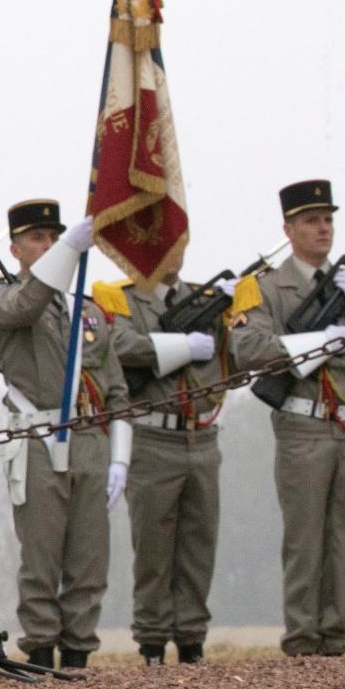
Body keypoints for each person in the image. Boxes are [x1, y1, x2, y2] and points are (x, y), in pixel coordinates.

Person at [0, 201, 131, 670]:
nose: (47, 245)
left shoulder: (89, 311)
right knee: (42, 556)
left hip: (89, 438)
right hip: (37, 437)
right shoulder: (2, 299)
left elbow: (116, 389)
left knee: (89, 557)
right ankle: (42, 649)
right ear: (15, 249)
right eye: (37, 239)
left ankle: (79, 652)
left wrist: (120, 457)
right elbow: (28, 303)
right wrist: (68, 250)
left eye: (55, 237)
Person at [228, 180, 345, 658]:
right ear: (288, 229)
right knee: (305, 537)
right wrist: (318, 340)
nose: (323, 229)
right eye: (311, 221)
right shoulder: (266, 288)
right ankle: (302, 639)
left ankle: (335, 637)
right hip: (303, 425)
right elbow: (248, 348)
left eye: (328, 219)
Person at [97, 261, 230, 665]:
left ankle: (191, 637)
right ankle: (152, 639)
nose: (172, 253)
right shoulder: (122, 299)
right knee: (153, 546)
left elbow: (238, 356)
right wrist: (181, 346)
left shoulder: (206, 299)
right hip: (152, 436)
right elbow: (118, 345)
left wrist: (233, 310)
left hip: (200, 436)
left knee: (198, 544)